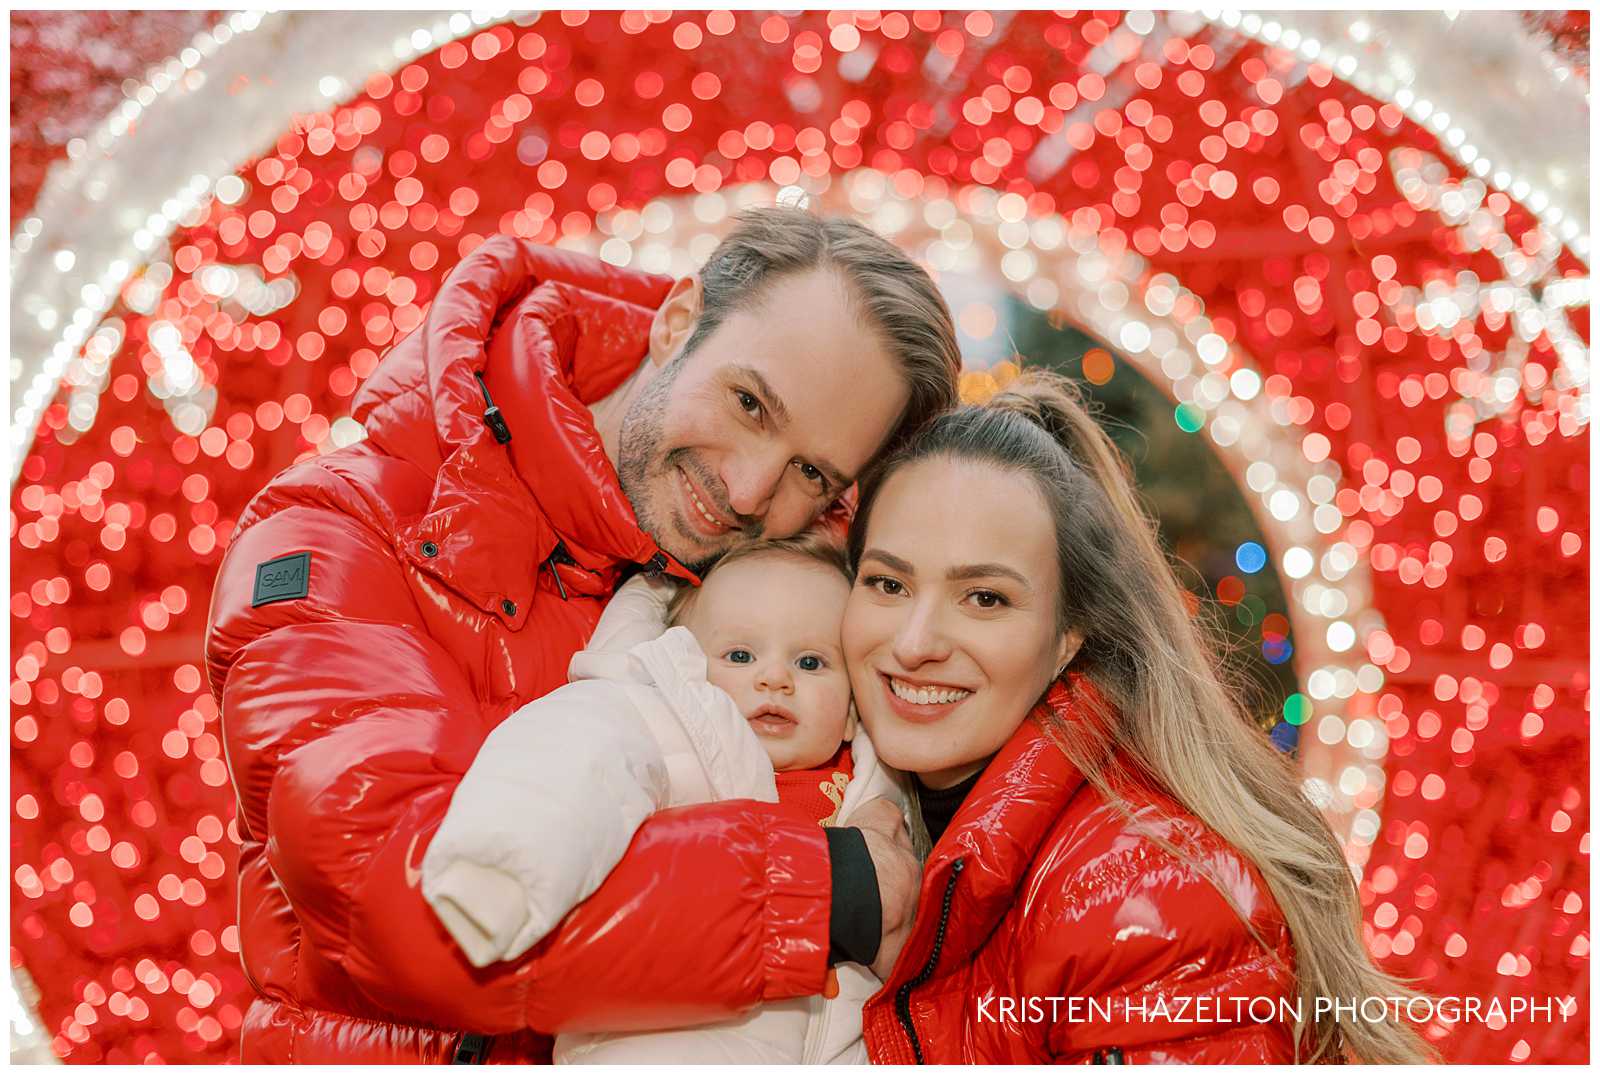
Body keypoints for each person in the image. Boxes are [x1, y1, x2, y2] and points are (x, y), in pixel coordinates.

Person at [205, 209, 958, 1062]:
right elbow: (406, 895)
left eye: (811, 470)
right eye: (749, 403)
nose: (749, 489)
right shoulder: (337, 534)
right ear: (677, 319)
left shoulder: (784, 570)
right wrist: (835, 888)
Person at [837, 369, 1432, 1063]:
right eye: (887, 582)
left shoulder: (1148, 893)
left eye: (985, 598)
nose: (914, 642)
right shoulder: (856, 798)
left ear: (1067, 639)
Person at [423, 534, 903, 1063]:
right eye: (740, 655)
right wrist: (508, 863)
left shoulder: (878, 792)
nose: (774, 679)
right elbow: (580, 752)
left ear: (855, 709)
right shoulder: (675, 737)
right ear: (685, 673)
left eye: (811, 663)